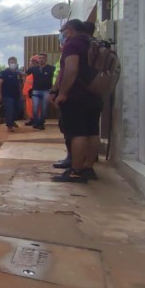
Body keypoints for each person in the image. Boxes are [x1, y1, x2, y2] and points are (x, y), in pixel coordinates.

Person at [51, 19, 102, 183]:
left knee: (77, 133)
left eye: (63, 31)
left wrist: (63, 93)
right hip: (95, 94)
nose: (62, 34)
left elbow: (71, 69)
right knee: (92, 132)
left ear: (70, 30)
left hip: (77, 96)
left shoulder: (72, 44)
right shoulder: (93, 43)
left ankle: (76, 171)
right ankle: (88, 168)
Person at [26, 52, 55, 130]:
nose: (41, 59)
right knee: (35, 108)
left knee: (44, 109)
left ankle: (41, 123)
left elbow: (56, 78)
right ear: (37, 59)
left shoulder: (51, 68)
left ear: (46, 59)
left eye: (43, 58)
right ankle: (36, 122)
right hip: (36, 91)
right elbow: (24, 74)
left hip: (46, 91)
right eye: (39, 58)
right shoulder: (33, 68)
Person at [0, 56, 22, 132]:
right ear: (8, 63)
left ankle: (12, 120)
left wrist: (21, 94)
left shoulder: (17, 73)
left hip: (17, 95)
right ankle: (9, 125)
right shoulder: (4, 72)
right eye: (11, 62)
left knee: (19, 109)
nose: (13, 64)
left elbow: (20, 84)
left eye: (14, 62)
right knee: (9, 110)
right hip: (7, 95)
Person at [23, 55, 39, 125]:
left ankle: (36, 120)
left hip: (33, 92)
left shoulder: (37, 70)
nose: (31, 63)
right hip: (28, 92)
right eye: (31, 61)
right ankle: (32, 119)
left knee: (35, 107)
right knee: (29, 107)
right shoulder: (30, 70)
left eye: (32, 61)